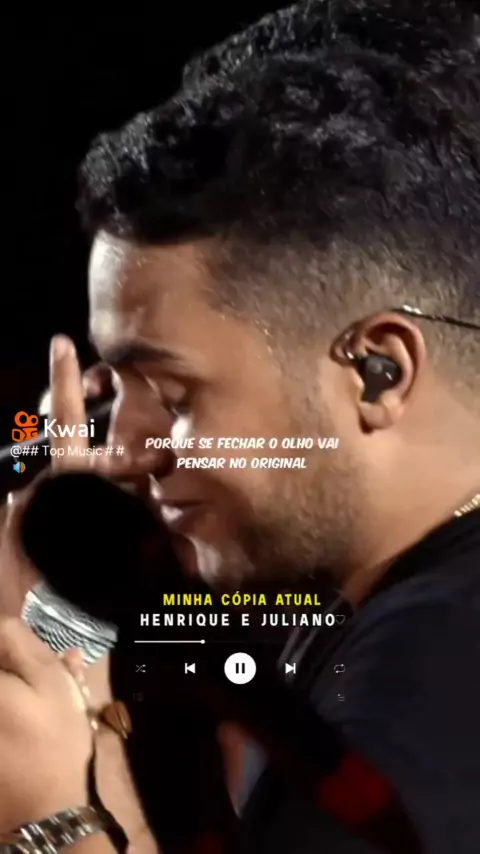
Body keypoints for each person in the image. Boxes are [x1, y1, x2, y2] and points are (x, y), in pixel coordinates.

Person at [1, 0, 479, 851]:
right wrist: (72, 649)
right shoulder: (346, 603)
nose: (123, 451)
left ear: (378, 372)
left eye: (173, 393)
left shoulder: (436, 675)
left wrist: (53, 821)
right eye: (116, 388)